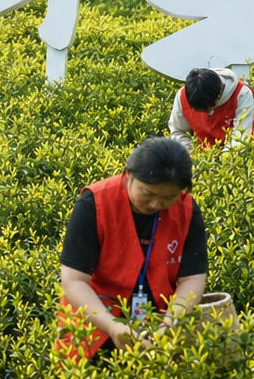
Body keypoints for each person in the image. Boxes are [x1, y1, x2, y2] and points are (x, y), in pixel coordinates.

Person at [57, 137, 208, 362]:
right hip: (96, 315)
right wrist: (113, 327)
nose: (156, 205)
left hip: (160, 317)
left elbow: (192, 277)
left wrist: (171, 322)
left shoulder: (186, 209)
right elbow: (73, 281)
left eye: (168, 197)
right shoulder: (94, 203)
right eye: (147, 193)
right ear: (128, 174)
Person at [170, 67, 254, 151]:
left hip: (244, 156)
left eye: (207, 109)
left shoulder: (242, 94)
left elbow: (240, 140)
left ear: (218, 97)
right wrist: (188, 152)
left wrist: (223, 160)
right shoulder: (183, 96)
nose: (206, 113)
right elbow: (177, 131)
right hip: (204, 159)